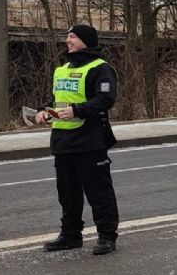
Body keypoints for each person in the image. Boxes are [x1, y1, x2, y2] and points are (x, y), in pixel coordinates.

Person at [34, 24, 120, 255]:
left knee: (99, 192)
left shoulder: (100, 68)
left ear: (86, 41)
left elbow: (106, 99)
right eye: (67, 36)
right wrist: (44, 111)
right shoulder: (61, 69)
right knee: (68, 194)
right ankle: (71, 235)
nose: (68, 40)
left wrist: (78, 110)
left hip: (90, 141)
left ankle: (106, 236)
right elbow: (54, 98)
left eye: (72, 37)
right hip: (62, 141)